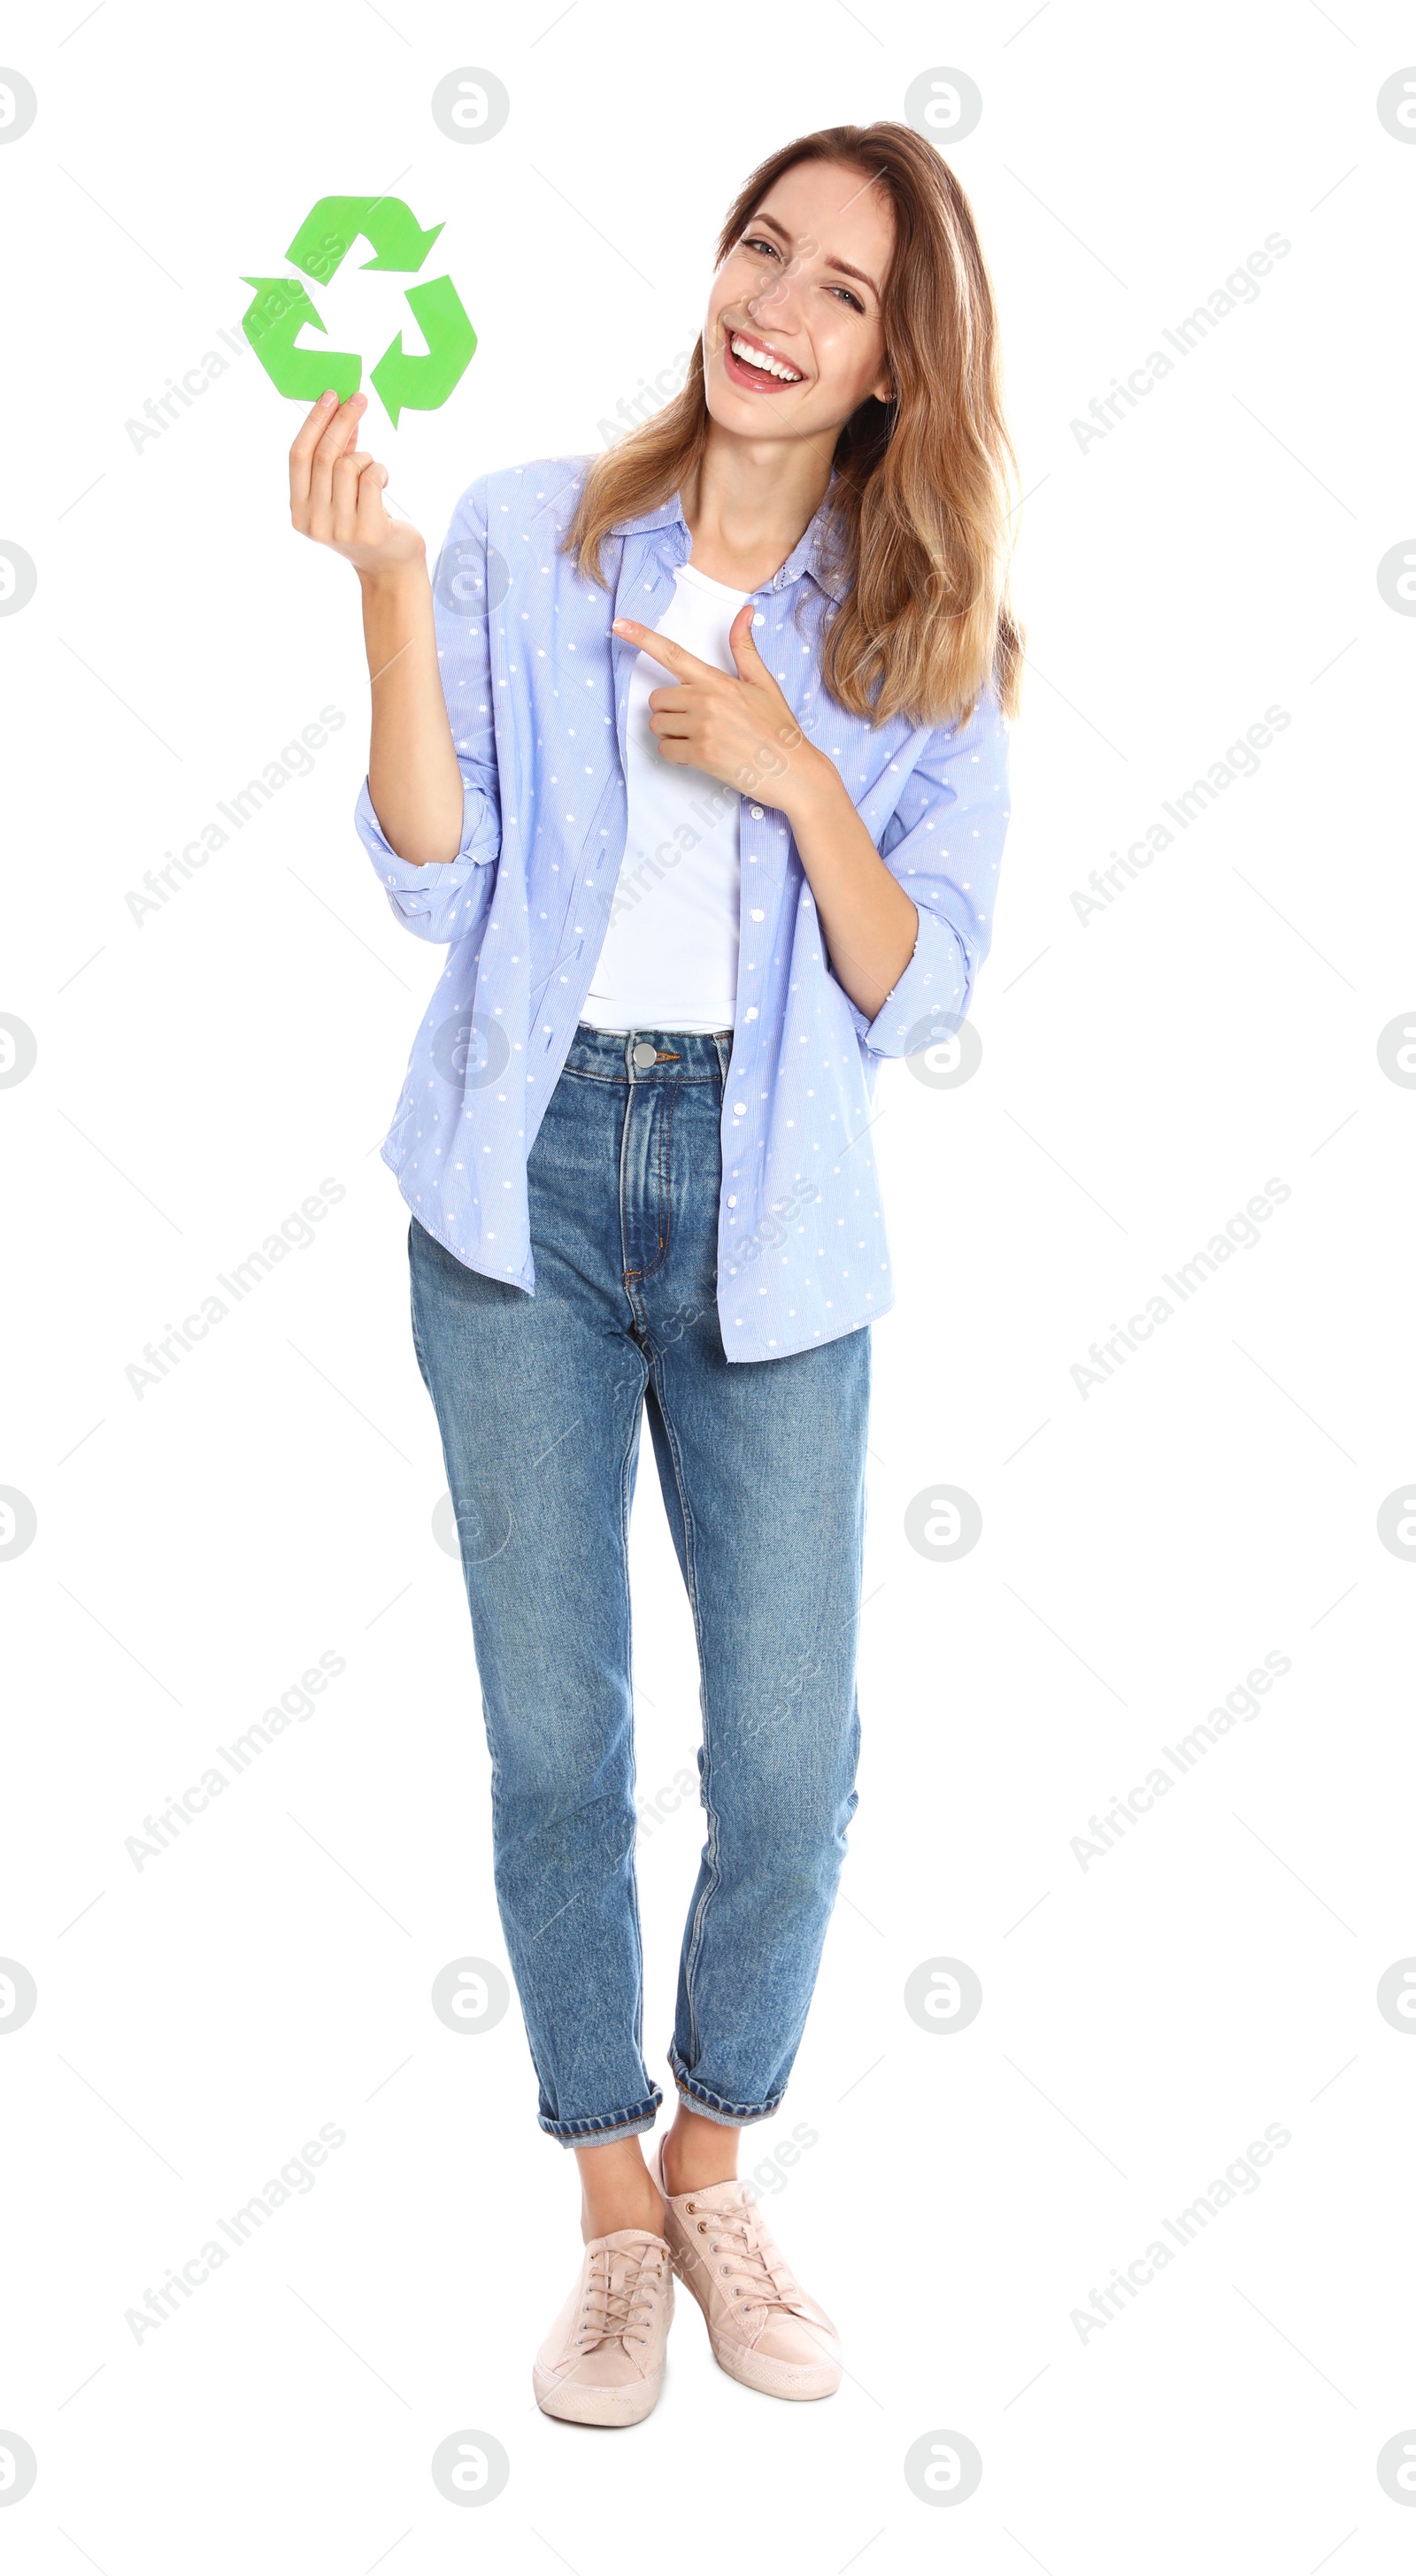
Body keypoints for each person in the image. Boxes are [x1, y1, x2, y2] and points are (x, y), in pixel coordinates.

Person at [287, 119, 1020, 2426]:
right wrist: (391, 584)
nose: (775, 306)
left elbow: (922, 999)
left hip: (772, 1221)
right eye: (762, 248)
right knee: (555, 1740)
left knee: (792, 1761)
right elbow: (433, 877)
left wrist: (803, 776)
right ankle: (611, 2209)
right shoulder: (529, 530)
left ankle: (717, 2155)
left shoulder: (919, 637)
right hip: (521, 1186)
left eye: (842, 291)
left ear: (902, 365)